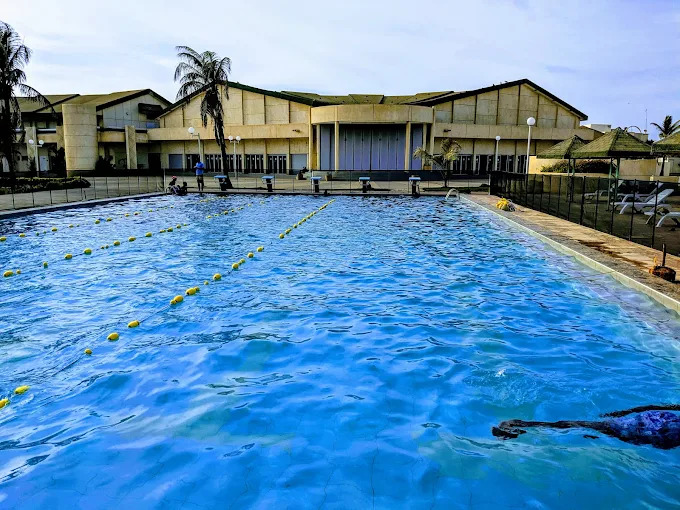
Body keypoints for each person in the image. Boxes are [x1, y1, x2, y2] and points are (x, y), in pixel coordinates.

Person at [492, 404, 680, 450]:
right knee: (586, 427)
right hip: (647, 429)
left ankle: (523, 426)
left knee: (586, 426)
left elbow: (653, 406)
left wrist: (622, 413)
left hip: (646, 424)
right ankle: (522, 426)